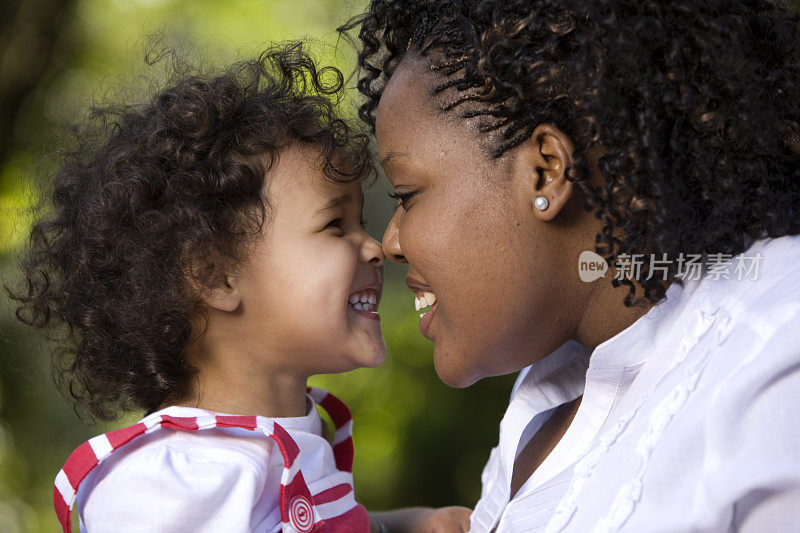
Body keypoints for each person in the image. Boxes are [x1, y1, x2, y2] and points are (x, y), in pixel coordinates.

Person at [342, 0, 800, 531]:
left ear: (546, 172)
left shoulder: (774, 351)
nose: (390, 241)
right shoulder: (548, 385)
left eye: (408, 193)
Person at [6, 43, 457, 533]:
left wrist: (406, 526)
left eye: (359, 221)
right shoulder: (166, 484)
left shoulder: (274, 448)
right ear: (216, 276)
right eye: (334, 225)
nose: (373, 247)